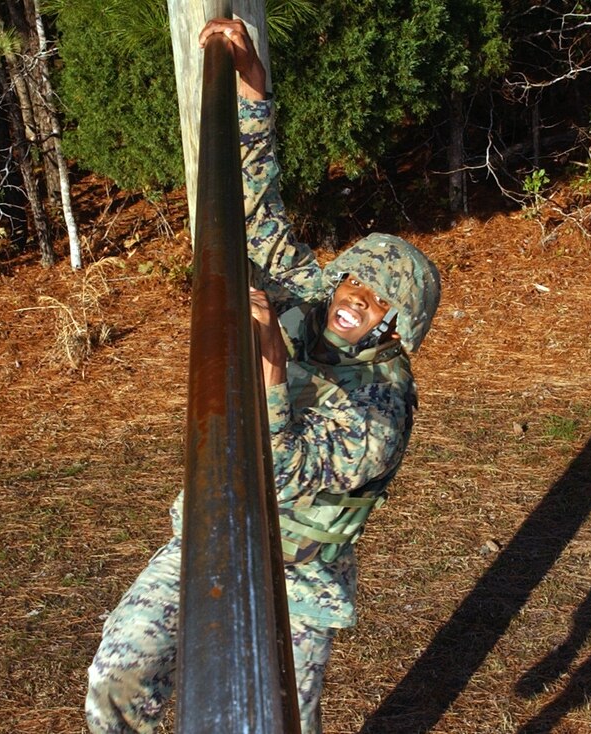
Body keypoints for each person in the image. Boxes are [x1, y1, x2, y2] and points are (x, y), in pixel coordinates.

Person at [85, 18, 440, 734]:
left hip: (296, 583)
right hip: (212, 535)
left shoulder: (384, 408)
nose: (351, 301)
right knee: (116, 679)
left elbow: (280, 471)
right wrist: (250, 79)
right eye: (351, 282)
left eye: (375, 300)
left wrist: (272, 371)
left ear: (396, 327)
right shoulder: (308, 299)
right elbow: (255, 207)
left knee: (268, 724)